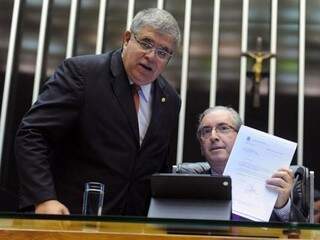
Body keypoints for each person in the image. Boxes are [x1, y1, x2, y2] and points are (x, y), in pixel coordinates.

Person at [15, 8, 181, 216]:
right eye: (146, 43)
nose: (151, 56)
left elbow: (159, 169)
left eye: (162, 52)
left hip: (134, 227)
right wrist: (43, 198)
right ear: (127, 38)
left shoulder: (171, 100)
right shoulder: (83, 73)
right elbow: (33, 134)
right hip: (70, 217)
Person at [196, 106, 295, 221]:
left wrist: (282, 207)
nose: (213, 137)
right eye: (206, 131)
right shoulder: (191, 188)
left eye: (223, 128)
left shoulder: (276, 182)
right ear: (201, 147)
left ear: (241, 137)